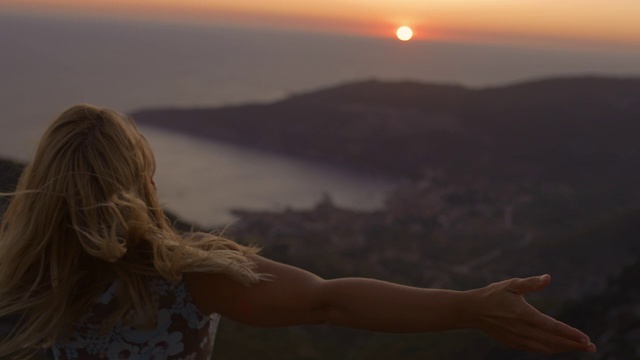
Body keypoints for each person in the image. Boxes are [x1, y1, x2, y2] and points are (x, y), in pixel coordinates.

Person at [0, 104, 596, 359]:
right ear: (140, 179)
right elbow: (328, 300)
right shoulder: (183, 279)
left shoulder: (14, 285)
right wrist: (468, 307)